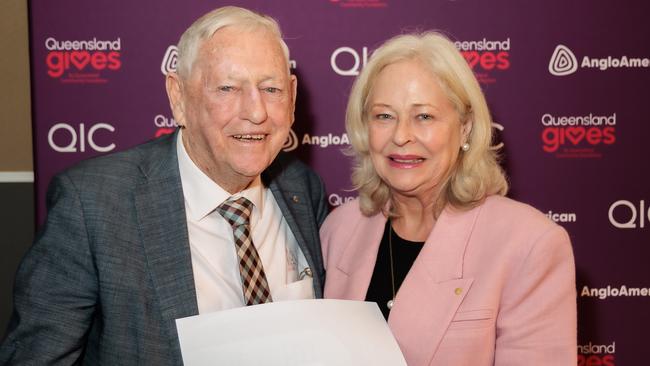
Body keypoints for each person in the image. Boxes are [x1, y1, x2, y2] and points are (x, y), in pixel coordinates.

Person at [1, 6, 327, 365]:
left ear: (292, 96)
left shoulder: (302, 189)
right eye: (227, 87)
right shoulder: (93, 205)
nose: (256, 111)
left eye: (271, 88)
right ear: (179, 97)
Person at [321, 31, 576, 365]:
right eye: (384, 116)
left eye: (424, 116)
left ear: (466, 128)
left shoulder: (529, 244)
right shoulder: (338, 230)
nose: (401, 136)